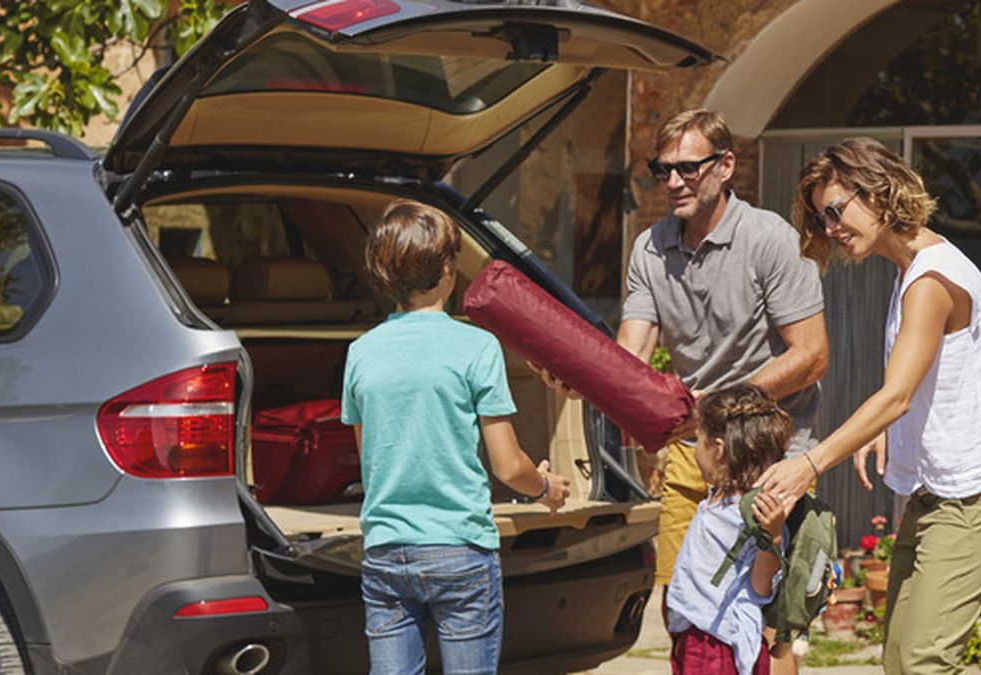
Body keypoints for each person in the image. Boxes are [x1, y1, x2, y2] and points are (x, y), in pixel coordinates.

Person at [537, 108, 826, 674]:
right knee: (684, 609)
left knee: (766, 630)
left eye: (687, 169)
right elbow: (630, 357)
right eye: (662, 169)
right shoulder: (651, 247)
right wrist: (581, 377)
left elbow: (811, 357)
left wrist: (716, 404)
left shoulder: (770, 239)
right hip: (694, 452)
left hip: (770, 458)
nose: (672, 183)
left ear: (725, 167)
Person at [756, 137, 981, 674]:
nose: (831, 228)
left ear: (877, 191)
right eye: (821, 218)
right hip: (938, 499)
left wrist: (808, 463)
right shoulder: (911, 270)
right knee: (901, 661)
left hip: (974, 501)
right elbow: (926, 381)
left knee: (923, 662)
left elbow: (896, 395)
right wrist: (887, 432)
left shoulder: (930, 282)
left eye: (835, 211)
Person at [341, 199, 571, 675]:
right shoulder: (476, 347)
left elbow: (372, 460)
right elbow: (508, 468)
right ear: (448, 269)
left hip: (386, 552)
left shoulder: (360, 353)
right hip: (460, 552)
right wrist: (547, 488)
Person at [667, 384, 791, 675]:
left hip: (717, 644)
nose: (695, 450)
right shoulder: (719, 498)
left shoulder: (753, 513)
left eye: (698, 440)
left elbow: (761, 587)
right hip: (698, 633)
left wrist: (771, 536)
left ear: (719, 450)